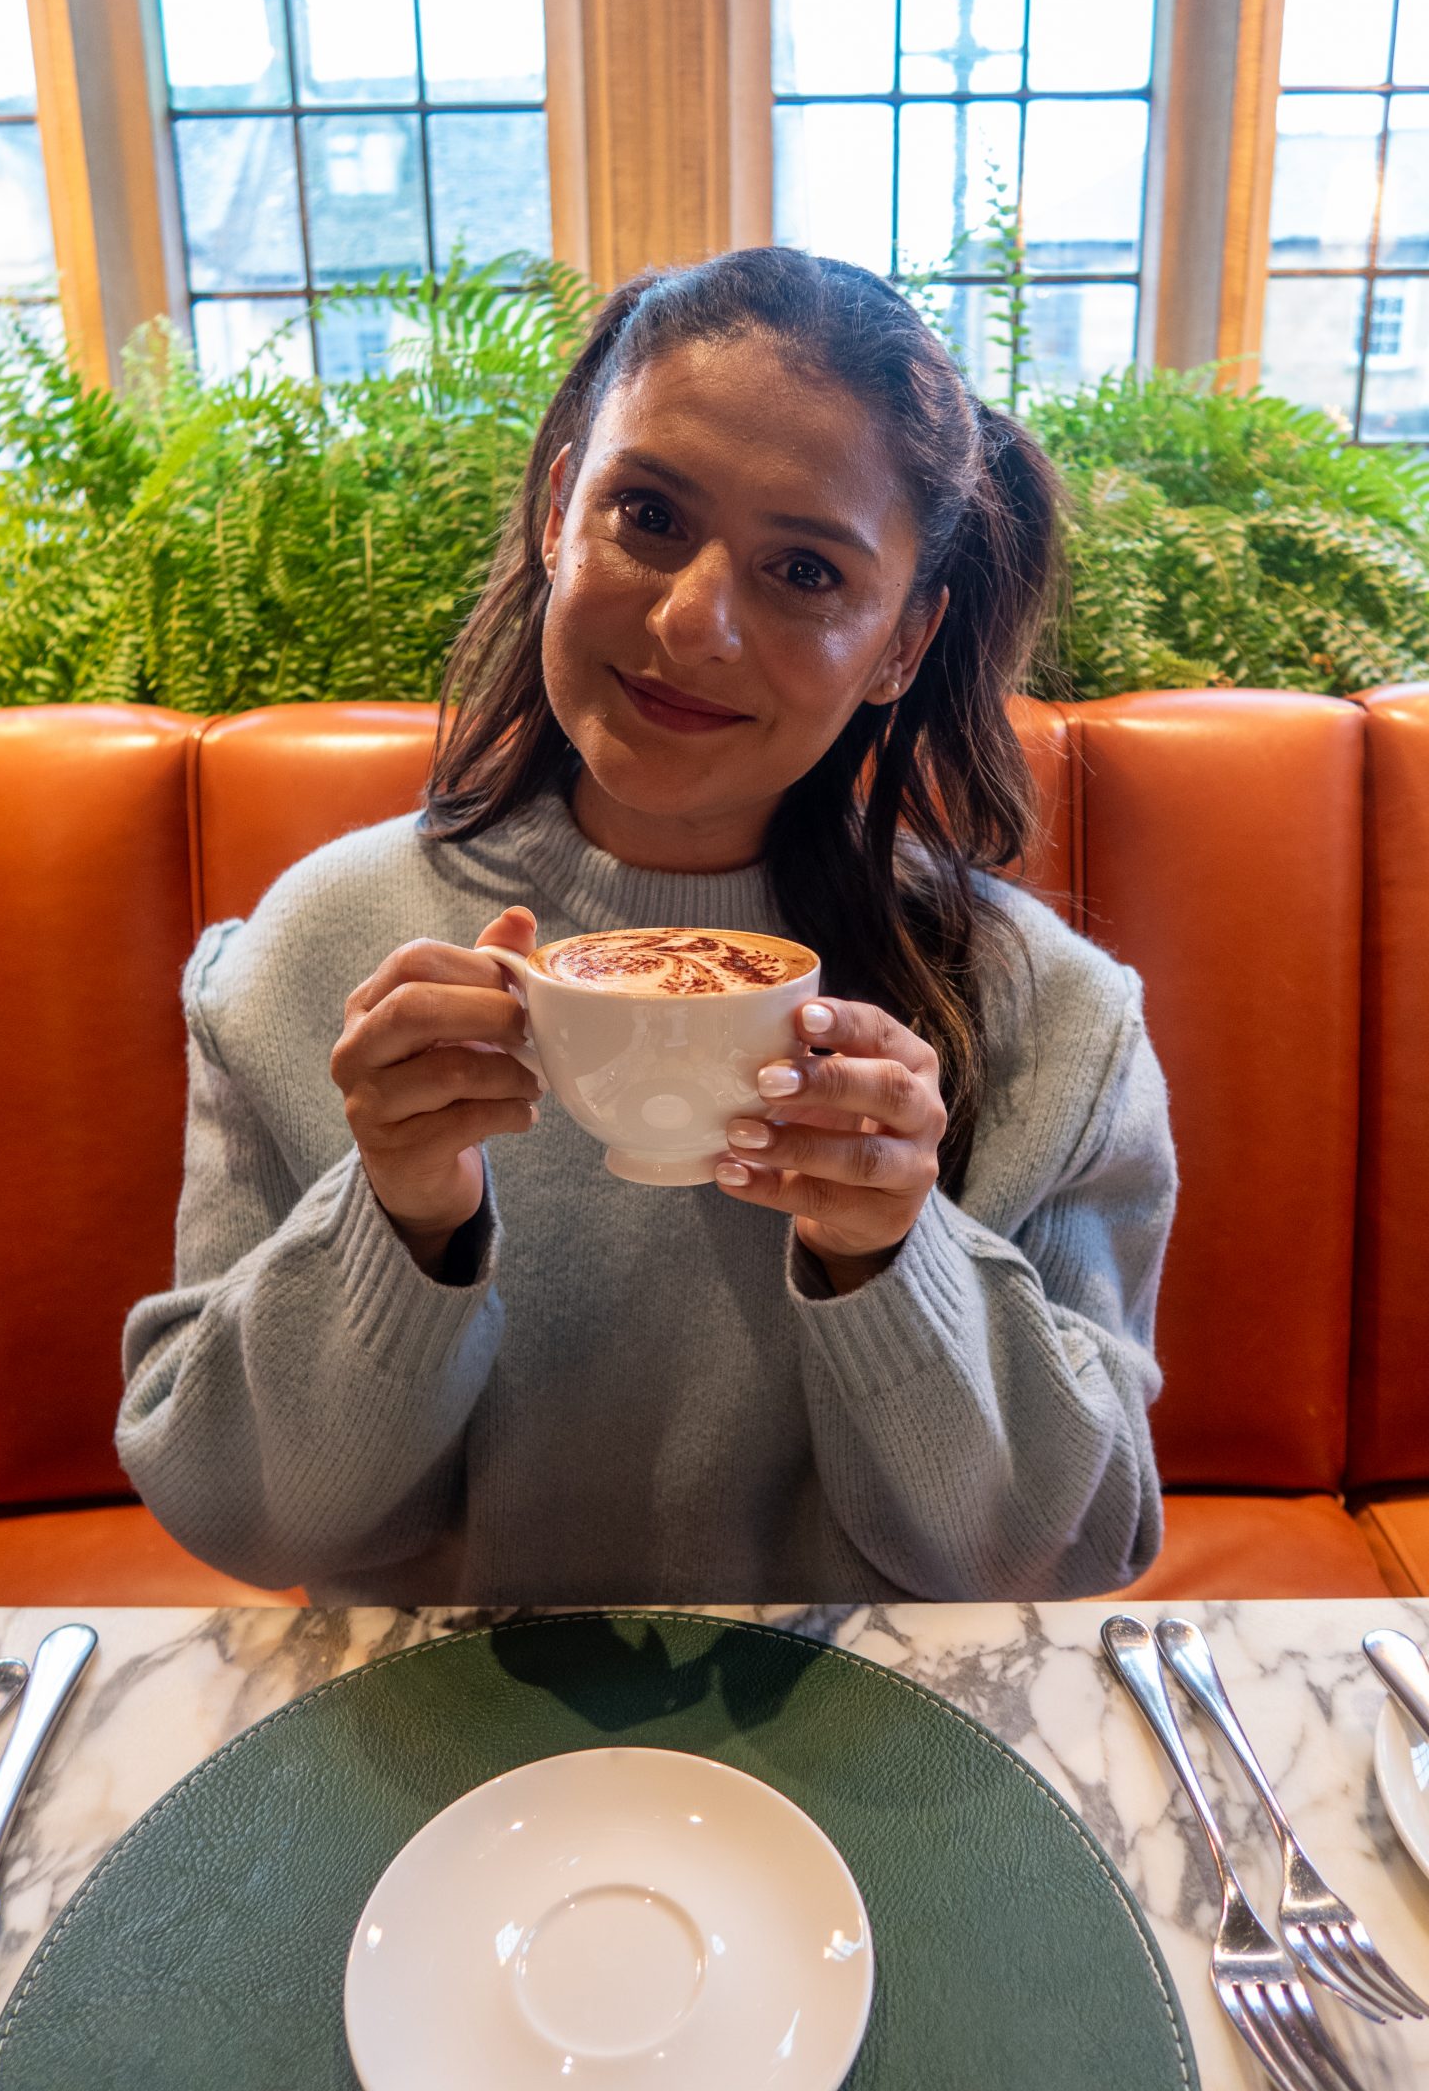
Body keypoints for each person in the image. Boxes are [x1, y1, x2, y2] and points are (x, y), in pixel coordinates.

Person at [117, 246, 1177, 1607]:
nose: (695, 621)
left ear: (904, 643)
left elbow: (1066, 1550)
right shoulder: (319, 955)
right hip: (443, 1770)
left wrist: (893, 1253)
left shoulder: (1048, 1024)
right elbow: (237, 1517)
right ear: (560, 511)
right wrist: (402, 1215)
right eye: (651, 515)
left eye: (804, 569)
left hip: (866, 1776)